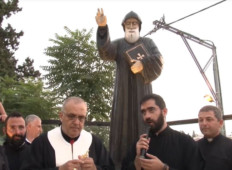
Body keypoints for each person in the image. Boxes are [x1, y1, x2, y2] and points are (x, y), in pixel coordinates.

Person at [95, 8, 164, 168]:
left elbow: (158, 59)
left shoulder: (148, 43)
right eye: (128, 23)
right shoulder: (118, 44)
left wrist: (144, 64)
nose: (131, 26)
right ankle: (119, 164)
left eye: (134, 23)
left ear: (139, 26)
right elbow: (105, 52)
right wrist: (103, 28)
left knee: (144, 123)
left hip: (143, 92)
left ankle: (145, 161)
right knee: (121, 128)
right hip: (123, 95)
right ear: (124, 26)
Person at [21, 96, 114, 170]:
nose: (77, 122)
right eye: (71, 116)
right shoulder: (43, 142)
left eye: (81, 118)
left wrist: (95, 168)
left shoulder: (94, 142)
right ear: (61, 116)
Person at [122, 94, 203, 170]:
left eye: (151, 110)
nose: (147, 116)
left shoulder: (185, 142)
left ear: (164, 112)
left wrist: (164, 168)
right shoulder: (138, 145)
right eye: (144, 112)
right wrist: (136, 163)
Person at [197, 105, 232, 170]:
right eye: (200, 120)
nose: (204, 123)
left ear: (220, 123)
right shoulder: (193, 148)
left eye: (208, 119)